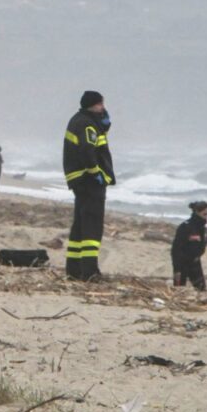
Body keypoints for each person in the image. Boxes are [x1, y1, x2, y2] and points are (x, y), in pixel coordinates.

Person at [63, 90, 115, 281]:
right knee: (92, 227)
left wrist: (104, 124)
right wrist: (96, 173)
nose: (104, 108)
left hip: (79, 180)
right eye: (101, 104)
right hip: (88, 180)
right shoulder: (86, 124)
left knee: (80, 225)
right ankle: (90, 272)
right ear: (94, 105)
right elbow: (87, 150)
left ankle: (74, 269)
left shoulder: (79, 120)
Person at [172, 201, 207, 290]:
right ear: (197, 212)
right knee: (179, 290)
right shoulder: (185, 227)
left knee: (202, 289)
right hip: (182, 263)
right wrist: (177, 270)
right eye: (204, 214)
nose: (206, 217)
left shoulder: (202, 228)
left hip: (195, 263)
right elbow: (176, 249)